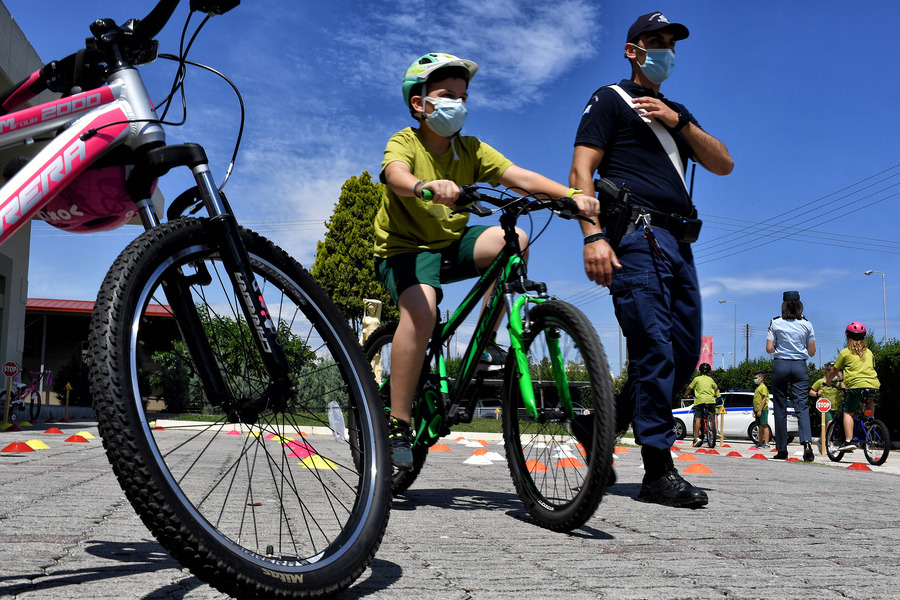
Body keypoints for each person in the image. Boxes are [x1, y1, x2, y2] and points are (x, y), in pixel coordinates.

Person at [376, 53, 599, 470]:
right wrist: (425, 186)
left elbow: (522, 177)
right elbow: (395, 175)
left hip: (451, 244)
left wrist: (570, 197)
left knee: (513, 239)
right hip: (404, 250)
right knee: (421, 312)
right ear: (419, 104)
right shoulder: (406, 141)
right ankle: (398, 423)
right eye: (446, 95)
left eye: (463, 97)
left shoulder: (471, 149)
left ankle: (484, 344)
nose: (457, 104)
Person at [569, 12, 733, 508]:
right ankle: (657, 472)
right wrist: (592, 236)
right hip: (636, 239)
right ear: (631, 50)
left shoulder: (677, 113)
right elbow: (581, 168)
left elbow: (723, 163)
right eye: (654, 42)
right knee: (654, 347)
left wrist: (677, 122)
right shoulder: (610, 100)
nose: (664, 51)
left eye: (670, 44)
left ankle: (600, 425)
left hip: (680, 246)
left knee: (682, 355)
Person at [765, 291, 816, 462]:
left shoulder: (775, 323)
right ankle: (807, 443)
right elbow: (812, 352)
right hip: (800, 366)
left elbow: (769, 349)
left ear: (783, 305)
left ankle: (782, 449)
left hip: (780, 365)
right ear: (800, 305)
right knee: (802, 405)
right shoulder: (807, 325)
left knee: (780, 406)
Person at [826, 322, 880, 451]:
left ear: (848, 337)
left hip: (856, 386)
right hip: (873, 384)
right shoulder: (869, 352)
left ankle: (849, 440)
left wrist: (828, 381)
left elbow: (834, 370)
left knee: (848, 412)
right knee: (869, 400)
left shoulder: (845, 352)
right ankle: (870, 422)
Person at [686, 363, 720, 447]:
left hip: (700, 401)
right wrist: (715, 395)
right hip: (711, 400)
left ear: (699, 371)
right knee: (714, 414)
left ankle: (697, 438)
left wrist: (686, 394)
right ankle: (716, 430)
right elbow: (716, 388)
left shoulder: (696, 379)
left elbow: (689, 388)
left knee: (698, 418)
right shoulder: (711, 379)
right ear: (709, 372)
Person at [752, 371, 770, 449]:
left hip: (763, 410)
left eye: (756, 378)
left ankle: (766, 443)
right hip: (757, 410)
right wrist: (754, 410)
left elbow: (764, 398)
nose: (755, 380)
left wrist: (760, 410)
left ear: (761, 378)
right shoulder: (758, 388)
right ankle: (760, 442)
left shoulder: (763, 387)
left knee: (764, 425)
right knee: (760, 426)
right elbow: (756, 400)